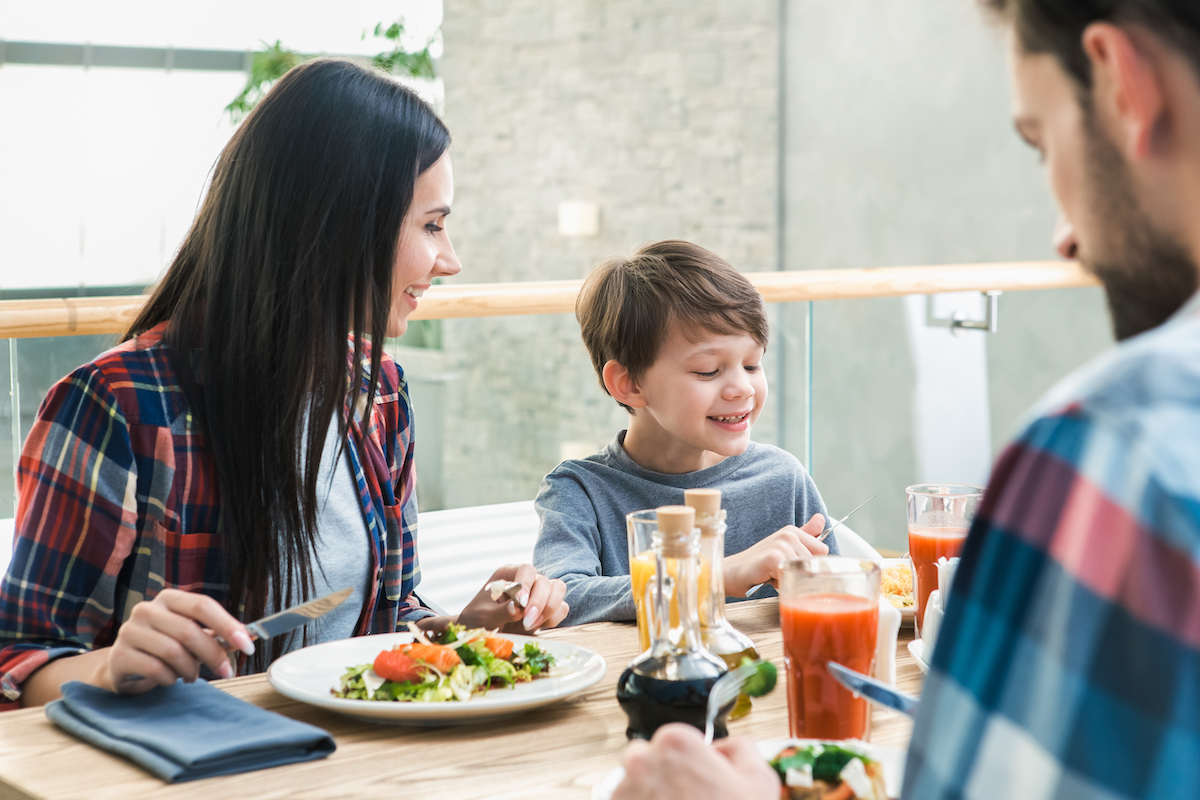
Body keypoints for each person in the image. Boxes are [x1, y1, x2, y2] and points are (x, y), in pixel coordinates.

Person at [611, 0, 1200, 797]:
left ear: (1123, 82)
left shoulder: (1116, 445)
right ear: (627, 383)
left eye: (1041, 142)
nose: (1066, 237)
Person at [0, 58, 567, 712]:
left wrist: (465, 633)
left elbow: (376, 624)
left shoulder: (379, 394)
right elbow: (19, 661)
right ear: (341, 225)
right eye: (432, 225)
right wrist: (106, 669)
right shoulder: (118, 404)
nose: (450, 260)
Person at [533, 240, 836, 627]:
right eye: (709, 370)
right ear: (629, 384)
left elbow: (845, 595)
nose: (742, 388)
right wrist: (712, 575)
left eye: (752, 364)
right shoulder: (579, 490)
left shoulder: (782, 478)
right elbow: (562, 598)